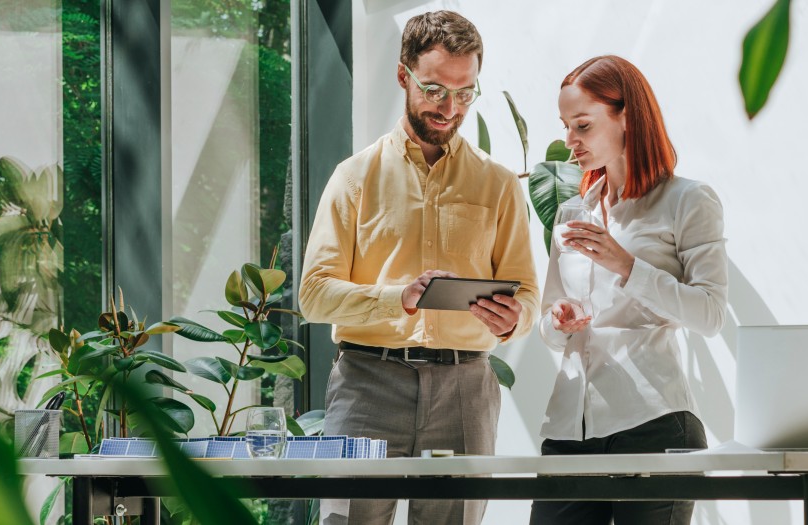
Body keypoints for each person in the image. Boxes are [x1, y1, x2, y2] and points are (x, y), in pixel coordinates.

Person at [298, 10, 539, 525]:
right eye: (434, 90)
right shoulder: (354, 177)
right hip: (367, 383)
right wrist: (397, 298)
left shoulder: (498, 184)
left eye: (465, 92)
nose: (450, 107)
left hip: (465, 388)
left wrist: (515, 318)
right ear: (403, 74)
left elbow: (529, 293)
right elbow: (313, 294)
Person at [530, 55, 729, 525]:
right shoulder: (572, 213)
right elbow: (547, 326)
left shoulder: (687, 201)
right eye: (565, 126)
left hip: (653, 423)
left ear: (626, 117)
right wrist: (559, 321)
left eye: (582, 125)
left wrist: (625, 264)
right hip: (568, 429)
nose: (569, 142)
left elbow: (710, 315)